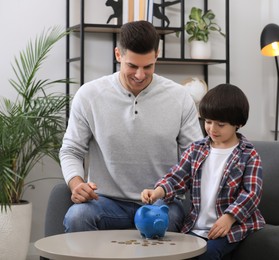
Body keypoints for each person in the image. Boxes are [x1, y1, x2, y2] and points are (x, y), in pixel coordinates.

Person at [59, 21, 203, 233]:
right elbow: (71, 150)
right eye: (132, 66)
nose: (140, 75)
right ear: (118, 55)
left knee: (167, 219)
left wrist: (163, 191)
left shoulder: (180, 98)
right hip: (106, 202)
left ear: (157, 55)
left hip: (160, 202)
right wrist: (76, 183)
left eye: (148, 66)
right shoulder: (89, 95)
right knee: (77, 216)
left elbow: (195, 158)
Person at [141, 83, 265, 259]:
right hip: (195, 226)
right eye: (208, 122)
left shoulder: (248, 155)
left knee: (207, 254)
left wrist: (230, 217)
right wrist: (157, 192)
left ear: (237, 123)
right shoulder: (196, 149)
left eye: (220, 124)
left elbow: (251, 193)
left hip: (232, 226)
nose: (212, 129)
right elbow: (177, 177)